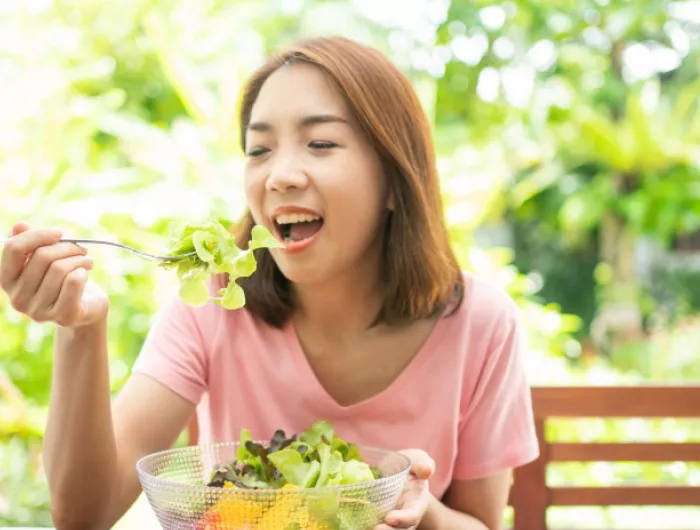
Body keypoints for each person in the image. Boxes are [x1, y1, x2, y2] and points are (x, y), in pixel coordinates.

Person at [0, 36, 539, 530]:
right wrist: (80, 328)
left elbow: (483, 524)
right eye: (259, 150)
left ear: (395, 182)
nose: (278, 174)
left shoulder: (479, 323)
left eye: (321, 144)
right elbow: (83, 515)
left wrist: (420, 514)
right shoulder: (211, 302)